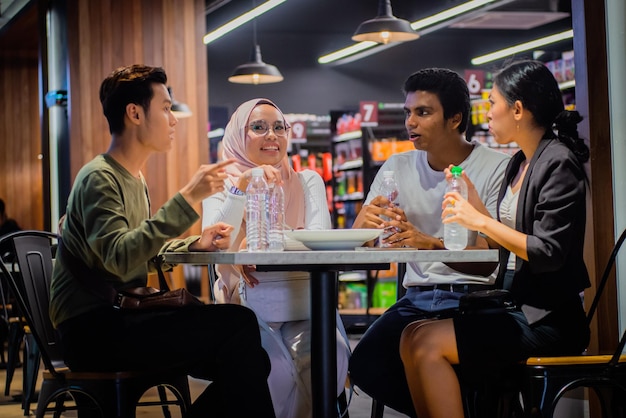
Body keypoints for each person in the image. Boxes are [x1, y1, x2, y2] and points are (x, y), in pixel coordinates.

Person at [49, 65, 276, 418]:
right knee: (240, 332)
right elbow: (119, 258)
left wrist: (194, 246)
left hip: (120, 319)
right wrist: (186, 199)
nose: (174, 120)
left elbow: (142, 249)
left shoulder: (133, 178)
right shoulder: (98, 177)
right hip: (92, 329)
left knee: (250, 357)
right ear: (135, 113)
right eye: (166, 108)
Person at [399, 60, 591, 418]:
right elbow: (507, 242)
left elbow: (548, 252)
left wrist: (479, 222)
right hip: (514, 305)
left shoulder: (558, 163)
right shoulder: (520, 162)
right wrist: (478, 209)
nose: (486, 113)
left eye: (492, 103)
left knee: (426, 344)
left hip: (548, 318)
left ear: (517, 109)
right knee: (410, 336)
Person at [348, 68, 511, 416]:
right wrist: (365, 223)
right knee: (366, 363)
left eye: (423, 112)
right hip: (416, 299)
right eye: (408, 112)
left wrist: (427, 242)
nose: (411, 122)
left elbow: (490, 260)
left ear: (455, 118)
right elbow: (360, 244)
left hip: (474, 299)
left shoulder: (497, 168)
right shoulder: (398, 165)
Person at [202, 98, 351, 418]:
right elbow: (215, 243)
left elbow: (319, 243)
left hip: (304, 304)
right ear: (238, 137)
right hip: (247, 312)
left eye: (279, 127)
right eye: (258, 127)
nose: (272, 135)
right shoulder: (218, 186)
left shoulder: (307, 180)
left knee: (333, 355)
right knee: (272, 370)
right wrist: (240, 189)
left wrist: (255, 246)